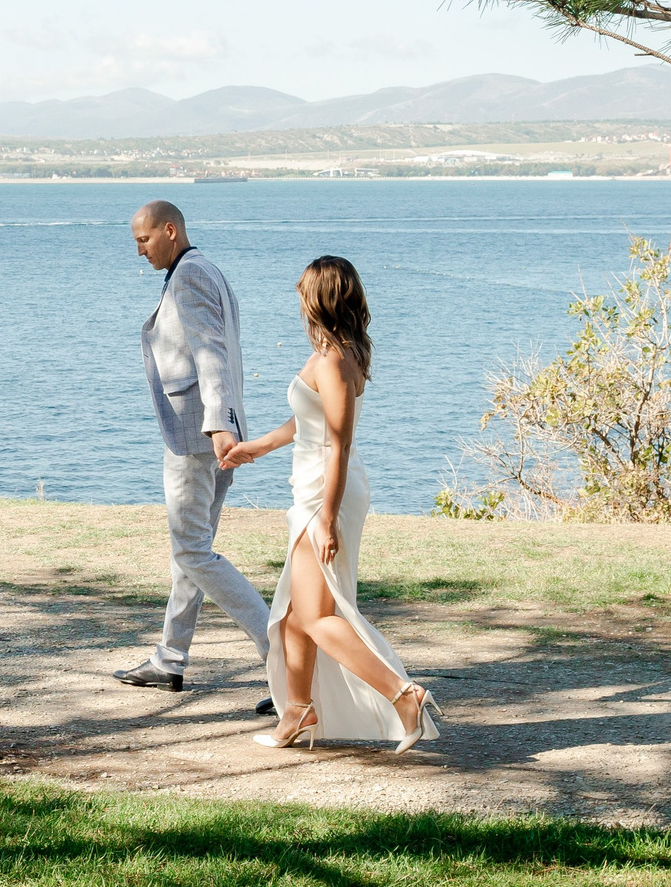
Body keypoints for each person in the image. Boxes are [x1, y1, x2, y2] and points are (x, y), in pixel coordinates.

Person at [222, 256, 437, 752]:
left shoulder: (336, 359)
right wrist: (258, 446)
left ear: (318, 299)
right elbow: (306, 422)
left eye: (303, 295)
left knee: (317, 616)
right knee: (295, 615)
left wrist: (326, 518)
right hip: (317, 488)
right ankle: (297, 713)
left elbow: (337, 442)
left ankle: (404, 696)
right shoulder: (331, 353)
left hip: (327, 493)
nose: (298, 303)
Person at [116, 200, 274, 710]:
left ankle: (280, 648)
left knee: (192, 551)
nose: (139, 250)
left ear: (169, 230)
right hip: (211, 431)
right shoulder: (200, 268)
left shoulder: (191, 276)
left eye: (144, 240)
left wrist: (215, 426)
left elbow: (212, 353)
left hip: (196, 436)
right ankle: (170, 658)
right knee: (193, 548)